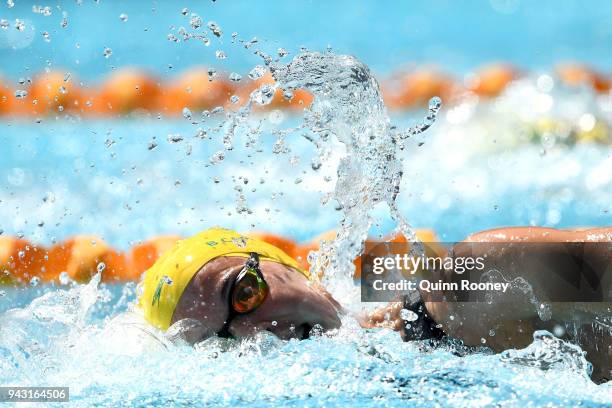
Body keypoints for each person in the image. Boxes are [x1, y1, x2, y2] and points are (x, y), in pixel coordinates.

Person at [138, 226, 610, 382]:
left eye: (243, 293)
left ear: (287, 266)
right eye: (222, 344)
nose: (255, 332)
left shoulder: (470, 282)